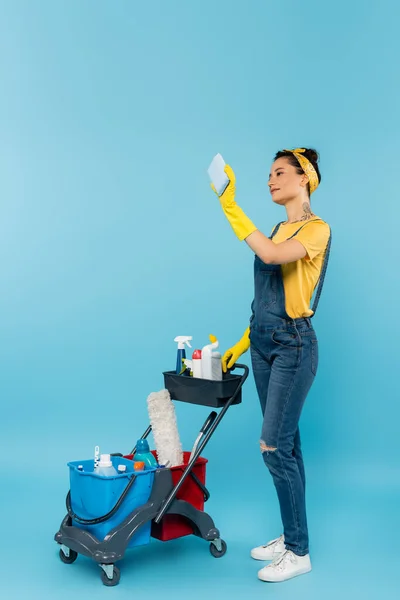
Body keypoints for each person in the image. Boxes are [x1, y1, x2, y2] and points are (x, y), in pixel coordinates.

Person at [211, 148, 331, 583]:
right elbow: (263, 299)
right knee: (288, 446)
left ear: (305, 179)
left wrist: (231, 208)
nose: (270, 180)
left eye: (280, 173)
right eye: (268, 174)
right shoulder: (280, 227)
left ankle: (299, 553)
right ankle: (292, 534)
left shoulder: (316, 230)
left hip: (294, 348)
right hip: (263, 345)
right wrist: (243, 343)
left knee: (274, 447)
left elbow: (271, 257)